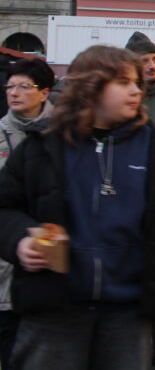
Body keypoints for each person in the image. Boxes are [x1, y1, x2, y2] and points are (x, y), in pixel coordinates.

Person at [0, 45, 155, 370]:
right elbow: (4, 207)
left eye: (136, 82)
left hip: (130, 313)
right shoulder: (43, 146)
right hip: (54, 310)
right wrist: (20, 239)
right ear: (89, 88)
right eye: (122, 82)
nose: (136, 90)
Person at [0, 58, 54, 368]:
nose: (14, 93)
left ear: (45, 92)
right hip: (6, 265)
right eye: (10, 86)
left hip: (51, 263)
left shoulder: (66, 134)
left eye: (24, 86)